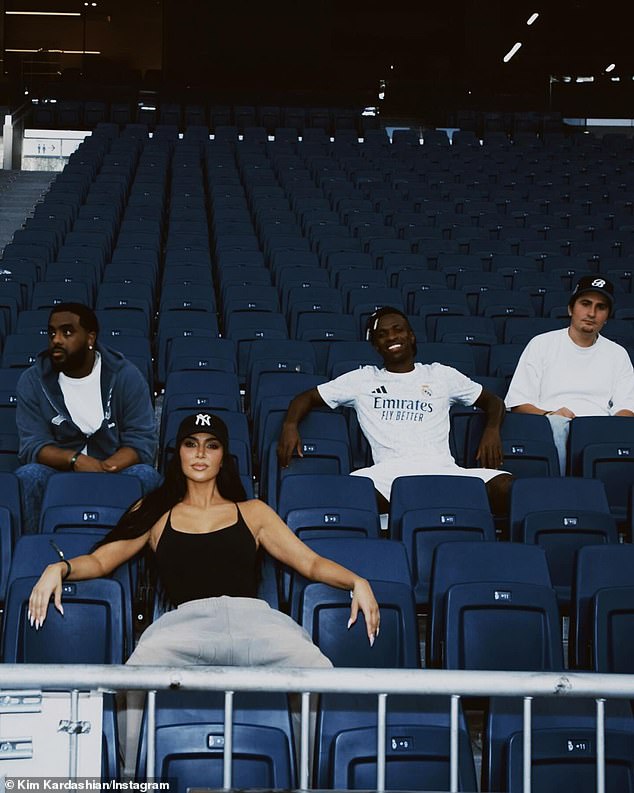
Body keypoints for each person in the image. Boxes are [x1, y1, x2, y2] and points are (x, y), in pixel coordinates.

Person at [27, 411, 380, 776]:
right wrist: (60, 567)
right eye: (190, 444)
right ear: (178, 454)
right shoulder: (155, 513)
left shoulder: (253, 512)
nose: (200, 454)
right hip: (186, 624)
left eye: (211, 446)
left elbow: (310, 562)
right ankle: (132, 777)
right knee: (133, 678)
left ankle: (307, 778)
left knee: (318, 671)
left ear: (222, 457)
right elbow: (102, 561)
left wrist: (357, 581)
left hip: (253, 621)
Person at [277, 306, 512, 518]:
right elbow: (305, 398)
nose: (391, 337)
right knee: (345, 494)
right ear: (376, 346)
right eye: (382, 335)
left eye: (397, 330)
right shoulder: (362, 379)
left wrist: (491, 430)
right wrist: (289, 425)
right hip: (389, 477)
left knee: (508, 487)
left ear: (411, 335)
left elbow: (494, 402)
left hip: (443, 471)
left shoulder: (441, 375)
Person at [14, 302, 161, 533]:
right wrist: (76, 460)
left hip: (114, 471)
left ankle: (138, 563)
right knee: (29, 476)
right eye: (52, 333)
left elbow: (142, 441)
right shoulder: (33, 381)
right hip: (59, 473)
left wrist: (106, 467)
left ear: (90, 338)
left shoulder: (125, 376)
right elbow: (33, 446)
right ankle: (34, 552)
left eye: (67, 332)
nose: (56, 340)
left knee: (146, 476)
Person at [505, 275, 634, 475]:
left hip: (597, 433)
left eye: (600, 307)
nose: (591, 313)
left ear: (607, 316)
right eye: (585, 304)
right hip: (551, 428)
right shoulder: (542, 344)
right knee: (558, 425)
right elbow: (519, 403)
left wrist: (603, 429)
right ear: (570, 308)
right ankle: (561, 487)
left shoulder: (617, 354)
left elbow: (626, 410)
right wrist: (550, 415)